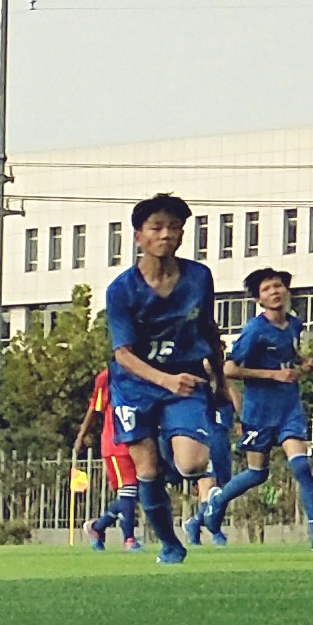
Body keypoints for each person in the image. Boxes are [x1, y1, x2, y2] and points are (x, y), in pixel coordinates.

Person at [102, 193, 226, 568]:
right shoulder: (121, 289)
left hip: (185, 382)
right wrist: (163, 380)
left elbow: (209, 330)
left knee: (191, 464)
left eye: (174, 227)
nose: (166, 234)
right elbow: (122, 353)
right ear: (138, 236)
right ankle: (171, 545)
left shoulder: (199, 277)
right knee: (147, 470)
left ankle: (171, 454)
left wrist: (220, 381)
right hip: (134, 386)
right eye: (157, 227)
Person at [193, 267, 313, 549]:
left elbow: (287, 353)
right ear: (259, 300)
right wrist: (272, 375)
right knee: (257, 473)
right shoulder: (254, 330)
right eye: (266, 289)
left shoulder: (293, 324)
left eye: (278, 286)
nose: (274, 292)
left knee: (301, 465)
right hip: (259, 411)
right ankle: (214, 502)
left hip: (289, 406)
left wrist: (302, 364)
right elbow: (230, 369)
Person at [73, 377, 145, 551]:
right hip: (116, 443)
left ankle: (97, 527)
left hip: (142, 441)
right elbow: (95, 408)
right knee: (128, 489)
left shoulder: (149, 372)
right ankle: (129, 539)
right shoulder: (108, 377)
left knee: (142, 491)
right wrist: (81, 436)